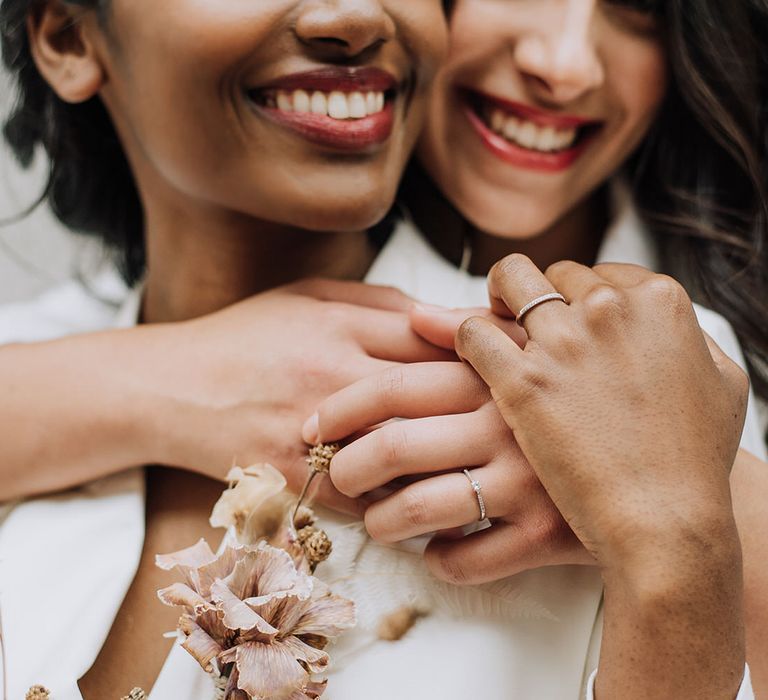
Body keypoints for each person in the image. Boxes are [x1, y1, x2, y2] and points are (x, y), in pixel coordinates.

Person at [0, 0, 765, 698]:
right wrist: (180, 379)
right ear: (68, 35)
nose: (356, 14)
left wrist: (677, 554)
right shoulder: (32, 361)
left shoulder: (635, 394)